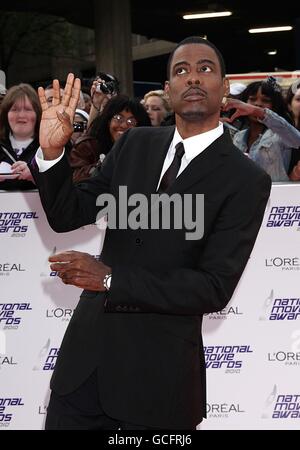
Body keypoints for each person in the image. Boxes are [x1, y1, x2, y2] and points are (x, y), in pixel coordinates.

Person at [31, 36, 271, 430]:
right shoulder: (134, 145)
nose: (192, 78)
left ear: (224, 87)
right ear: (168, 88)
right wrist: (53, 154)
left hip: (159, 381)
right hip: (85, 368)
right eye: (181, 71)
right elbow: (67, 213)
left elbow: (212, 287)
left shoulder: (245, 179)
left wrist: (110, 278)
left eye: (205, 69)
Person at [222, 78, 300, 181]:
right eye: (252, 99)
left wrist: (259, 112)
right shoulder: (238, 137)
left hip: (277, 196)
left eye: (265, 100)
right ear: (244, 102)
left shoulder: (280, 134)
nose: (258, 104)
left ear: (275, 105)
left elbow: (297, 140)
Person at [69, 95, 151, 183]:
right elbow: (76, 177)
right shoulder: (88, 146)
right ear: (108, 121)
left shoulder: (145, 150)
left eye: (131, 121)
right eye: (118, 118)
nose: (124, 125)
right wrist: (104, 165)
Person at [0, 83, 41, 190]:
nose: (21, 115)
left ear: (37, 114)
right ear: (6, 114)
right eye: (15, 109)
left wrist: (37, 177)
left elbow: (64, 186)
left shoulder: (50, 148)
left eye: (28, 109)